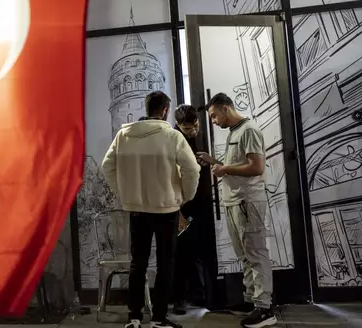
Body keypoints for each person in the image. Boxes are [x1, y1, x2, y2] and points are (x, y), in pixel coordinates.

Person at [102, 91, 200, 328]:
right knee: (166, 263)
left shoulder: (123, 135)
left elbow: (107, 167)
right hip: (166, 208)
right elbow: (193, 170)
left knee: (139, 263)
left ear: (146, 109)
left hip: (136, 209)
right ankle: (158, 318)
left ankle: (134, 317)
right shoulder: (172, 136)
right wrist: (185, 196)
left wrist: (125, 194)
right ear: (165, 110)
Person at [196, 93, 277, 328]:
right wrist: (214, 162)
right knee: (245, 255)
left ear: (225, 108)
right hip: (235, 202)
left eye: (213, 116)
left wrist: (224, 168)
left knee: (255, 253)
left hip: (247, 202)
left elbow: (256, 167)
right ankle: (254, 302)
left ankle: (264, 308)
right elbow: (235, 164)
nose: (213, 121)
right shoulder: (235, 132)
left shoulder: (249, 129)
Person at [171, 105, 207, 315]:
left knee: (196, 251)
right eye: (189, 128)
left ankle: (199, 293)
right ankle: (179, 298)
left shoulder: (202, 138)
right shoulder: (174, 139)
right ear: (178, 125)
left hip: (201, 203)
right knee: (181, 253)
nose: (194, 130)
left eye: (196, 125)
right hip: (182, 204)